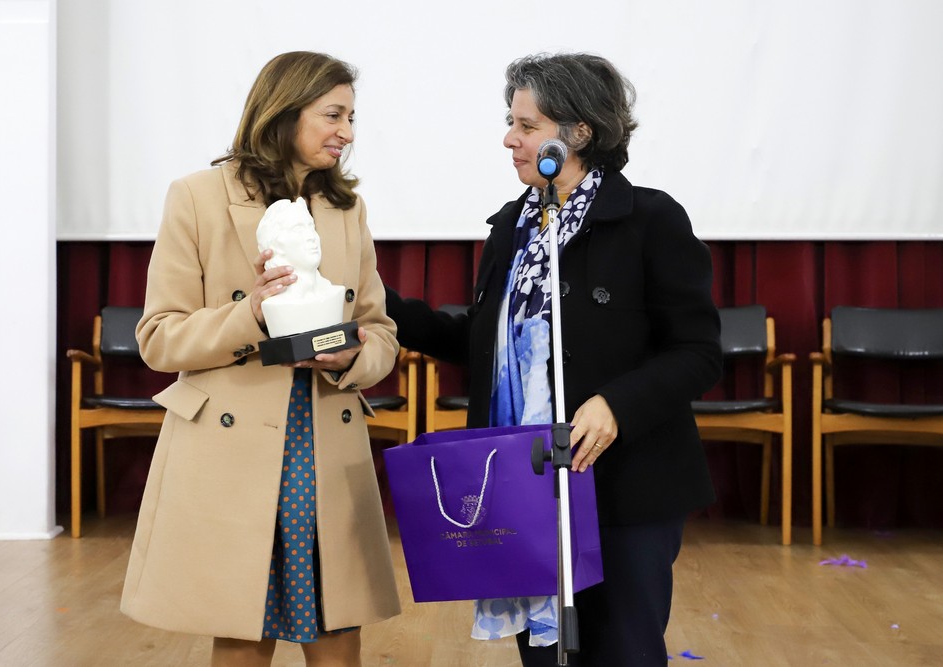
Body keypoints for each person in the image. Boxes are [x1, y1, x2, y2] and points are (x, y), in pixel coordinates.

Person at [386, 53, 721, 666]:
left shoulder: (650, 220)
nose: (509, 139)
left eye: (527, 125)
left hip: (625, 487)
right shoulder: (513, 226)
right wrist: (379, 304)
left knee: (623, 651)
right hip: (526, 487)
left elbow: (697, 352)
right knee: (545, 657)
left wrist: (617, 405)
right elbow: (481, 346)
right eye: (510, 122)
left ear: (580, 132)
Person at [120, 51, 401, 667]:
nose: (347, 133)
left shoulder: (347, 210)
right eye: (333, 114)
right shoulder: (196, 197)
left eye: (352, 116)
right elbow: (159, 338)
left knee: (338, 628)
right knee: (244, 628)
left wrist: (351, 356)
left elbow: (380, 332)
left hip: (326, 438)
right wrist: (248, 315)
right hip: (233, 449)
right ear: (284, 112)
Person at [256, 196, 345, 337]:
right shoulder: (277, 304)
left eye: (311, 227)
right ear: (276, 245)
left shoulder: (334, 292)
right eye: (298, 229)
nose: (311, 236)